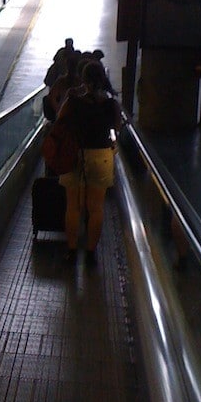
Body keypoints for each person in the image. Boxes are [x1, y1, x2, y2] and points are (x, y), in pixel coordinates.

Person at [57, 60, 122, 266]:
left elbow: (60, 121)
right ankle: (91, 253)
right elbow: (117, 128)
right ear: (103, 78)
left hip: (74, 154)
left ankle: (71, 251)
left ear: (83, 79)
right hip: (101, 155)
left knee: (72, 206)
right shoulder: (111, 103)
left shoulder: (73, 101)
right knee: (96, 208)